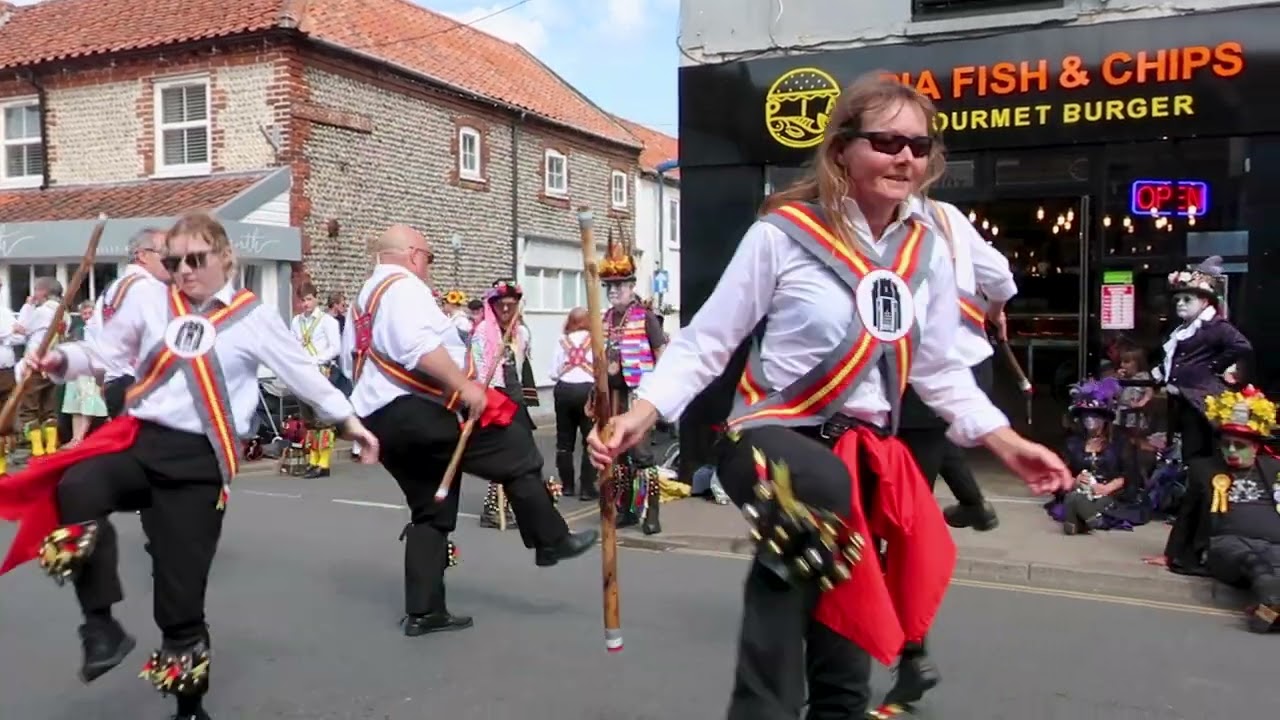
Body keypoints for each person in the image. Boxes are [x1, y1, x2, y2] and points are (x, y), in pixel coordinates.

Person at [587, 72, 1071, 720]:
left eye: (919, 146)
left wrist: (1006, 441)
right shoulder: (784, 235)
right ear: (842, 148)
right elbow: (708, 339)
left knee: (840, 646)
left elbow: (940, 369)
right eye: (887, 140)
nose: (905, 157)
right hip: (772, 440)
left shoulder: (925, 249)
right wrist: (640, 415)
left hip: (862, 456)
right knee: (818, 495)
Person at [0, 211, 380, 720]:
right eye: (174, 261)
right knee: (80, 486)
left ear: (225, 257)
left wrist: (351, 422)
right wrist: (57, 361)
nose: (182, 271)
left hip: (199, 465)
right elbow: (105, 353)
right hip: (143, 443)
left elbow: (303, 376)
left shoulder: (252, 318)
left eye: (194, 260)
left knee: (179, 597)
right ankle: (101, 625)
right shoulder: (152, 301)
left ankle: (189, 708)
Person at [342, 225, 596, 637]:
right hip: (413, 413)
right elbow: (417, 348)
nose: (429, 266)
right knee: (516, 448)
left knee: (430, 508)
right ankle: (550, 540)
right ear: (413, 254)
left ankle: (425, 612)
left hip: (380, 418)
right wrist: (464, 387)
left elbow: (348, 360)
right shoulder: (404, 288)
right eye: (429, 256)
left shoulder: (363, 301)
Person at [598, 231, 667, 533]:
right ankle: (626, 507)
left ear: (631, 287)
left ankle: (652, 512)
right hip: (613, 392)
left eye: (618, 286)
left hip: (638, 392)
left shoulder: (645, 317)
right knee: (619, 452)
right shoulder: (605, 319)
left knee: (641, 454)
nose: (613, 291)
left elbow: (662, 353)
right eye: (609, 286)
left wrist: (658, 393)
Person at [1195, 386, 1280, 633]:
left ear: (1255, 447)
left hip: (1274, 545)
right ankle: (1271, 605)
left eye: (1239, 445)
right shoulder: (1207, 470)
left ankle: (1268, 612)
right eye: (1227, 444)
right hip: (1230, 545)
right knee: (1256, 564)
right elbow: (1189, 515)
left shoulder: (1273, 469)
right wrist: (1172, 555)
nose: (1231, 451)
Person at [1154, 257, 1251, 461]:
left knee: (1197, 454)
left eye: (1187, 299)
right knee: (1183, 454)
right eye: (1178, 300)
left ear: (1204, 301)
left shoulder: (1213, 325)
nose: (1180, 304)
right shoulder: (1182, 329)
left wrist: (1213, 367)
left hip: (1201, 403)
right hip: (1182, 401)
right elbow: (1178, 358)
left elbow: (1242, 346)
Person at [472, 279, 550, 528]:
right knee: (504, 455)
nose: (506, 311)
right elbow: (479, 370)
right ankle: (493, 510)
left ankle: (523, 505)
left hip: (515, 396)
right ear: (492, 306)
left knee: (525, 453)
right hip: (495, 396)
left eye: (510, 306)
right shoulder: (483, 332)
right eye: (501, 306)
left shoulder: (521, 332)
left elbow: (521, 363)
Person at [93, 228, 170, 419]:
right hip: (140, 384)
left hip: (115, 383)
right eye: (166, 253)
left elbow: (94, 333)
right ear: (142, 255)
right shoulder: (149, 289)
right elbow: (161, 342)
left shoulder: (113, 288)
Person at [291, 282, 342, 478]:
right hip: (303, 374)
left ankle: (324, 463)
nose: (305, 304)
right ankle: (312, 460)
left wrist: (315, 359)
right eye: (302, 300)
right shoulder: (296, 322)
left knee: (323, 419)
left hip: (321, 371)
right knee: (309, 419)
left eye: (309, 299)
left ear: (316, 298)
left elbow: (335, 348)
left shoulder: (327, 322)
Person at [13, 276, 65, 458]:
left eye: (36, 290)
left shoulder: (41, 312)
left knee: (29, 408)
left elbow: (19, 328)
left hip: (35, 363)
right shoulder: (64, 312)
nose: (34, 294)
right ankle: (50, 447)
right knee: (48, 407)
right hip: (54, 364)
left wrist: (28, 306)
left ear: (43, 292)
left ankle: (37, 448)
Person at [550, 307, 597, 500]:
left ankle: (567, 486)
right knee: (590, 439)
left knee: (564, 440)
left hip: (564, 390)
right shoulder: (595, 341)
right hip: (587, 391)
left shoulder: (562, 341)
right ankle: (587, 488)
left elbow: (553, 372)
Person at [60, 301, 109, 447]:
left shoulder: (102, 329)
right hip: (77, 370)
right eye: (84, 313)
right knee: (74, 403)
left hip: (93, 370)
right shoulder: (79, 329)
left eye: (90, 313)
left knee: (88, 402)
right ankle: (75, 438)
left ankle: (80, 437)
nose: (87, 316)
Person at [0, 280, 23, 474]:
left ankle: (3, 464)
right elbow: (12, 333)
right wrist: (8, 334)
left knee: (7, 415)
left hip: (6, 370)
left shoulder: (5, 312)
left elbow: (21, 335)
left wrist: (6, 336)